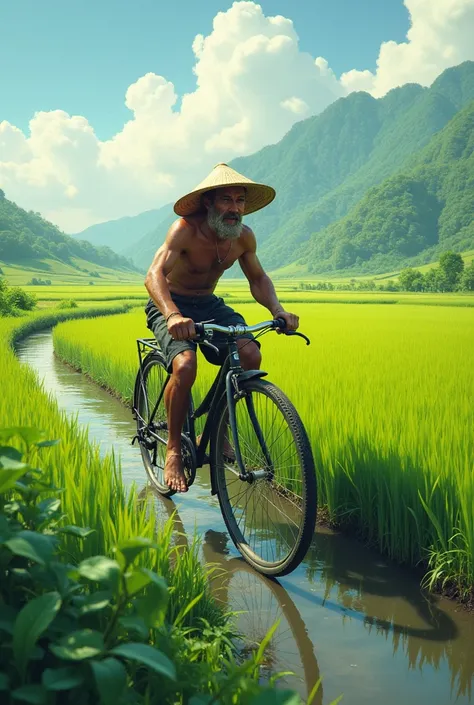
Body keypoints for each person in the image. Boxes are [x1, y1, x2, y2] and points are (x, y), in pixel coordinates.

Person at [144, 163, 299, 493]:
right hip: (172, 303)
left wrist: (278, 310)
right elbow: (154, 275)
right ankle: (173, 449)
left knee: (250, 354)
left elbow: (258, 278)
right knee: (185, 366)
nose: (234, 208)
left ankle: (217, 433)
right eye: (226, 200)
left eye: (239, 200)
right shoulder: (184, 230)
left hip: (209, 304)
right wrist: (172, 315)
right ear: (209, 204)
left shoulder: (242, 237)